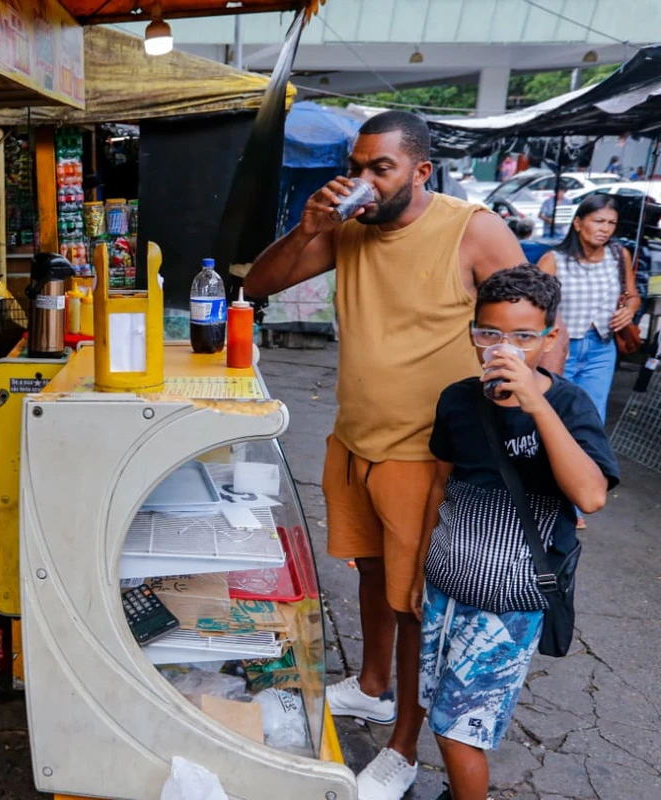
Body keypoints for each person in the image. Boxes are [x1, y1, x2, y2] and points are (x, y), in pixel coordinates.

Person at [244, 110, 558, 800]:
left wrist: (534, 431)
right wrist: (306, 229)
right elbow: (257, 286)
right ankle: (376, 685)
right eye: (356, 166)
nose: (362, 180)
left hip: (429, 456)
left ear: (420, 171)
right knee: (370, 571)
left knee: (416, 605)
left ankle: (405, 748)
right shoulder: (349, 229)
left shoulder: (470, 228)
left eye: (378, 167)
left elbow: (540, 327)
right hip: (356, 439)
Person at [413, 265, 618, 800]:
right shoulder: (458, 399)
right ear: (473, 331)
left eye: (524, 337)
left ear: (550, 337)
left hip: (509, 602)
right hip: (445, 588)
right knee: (438, 708)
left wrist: (535, 403)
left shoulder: (569, 405)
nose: (504, 348)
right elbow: (440, 487)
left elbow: (591, 496)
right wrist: (419, 573)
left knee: (458, 731)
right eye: (490, 333)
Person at [537, 194, 639, 527]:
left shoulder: (617, 255)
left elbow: (633, 294)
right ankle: (541, 498)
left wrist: (630, 310)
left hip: (600, 349)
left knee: (589, 422)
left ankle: (574, 507)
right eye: (598, 221)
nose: (605, 229)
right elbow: (533, 306)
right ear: (579, 223)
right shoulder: (554, 260)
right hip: (561, 350)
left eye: (611, 223)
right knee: (551, 419)